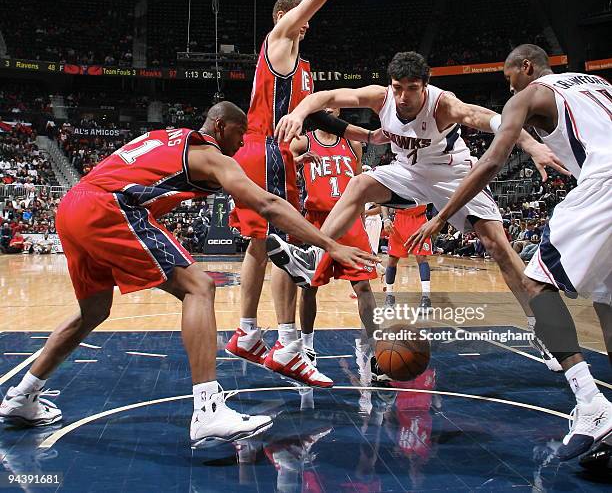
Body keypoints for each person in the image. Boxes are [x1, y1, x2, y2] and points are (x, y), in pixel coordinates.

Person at [0, 102, 374, 448]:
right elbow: (268, 203)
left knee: (94, 310)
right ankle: (208, 410)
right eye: (239, 133)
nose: (242, 141)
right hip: (107, 206)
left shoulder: (168, 137)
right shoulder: (208, 154)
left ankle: (23, 395)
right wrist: (331, 245)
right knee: (199, 286)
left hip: (74, 205)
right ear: (221, 126)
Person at [267, 51, 569, 372]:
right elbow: (325, 96)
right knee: (358, 185)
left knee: (498, 246)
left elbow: (488, 118)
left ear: (424, 86)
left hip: (453, 174)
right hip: (408, 172)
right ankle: (315, 253)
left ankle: (541, 327)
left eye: (411, 88)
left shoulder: (443, 104)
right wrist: (298, 114)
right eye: (397, 87)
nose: (402, 96)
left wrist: (530, 144)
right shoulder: (381, 98)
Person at [405, 44, 612, 461]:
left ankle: (591, 403)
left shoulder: (531, 93)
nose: (508, 85)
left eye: (508, 77)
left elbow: (491, 162)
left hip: (605, 181)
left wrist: (442, 215)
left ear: (526, 67)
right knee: (608, 299)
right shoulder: (600, 84)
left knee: (535, 283)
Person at [226, 0, 380, 388]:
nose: (307, 25)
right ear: (282, 17)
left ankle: (247, 332)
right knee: (285, 247)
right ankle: (289, 345)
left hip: (266, 153)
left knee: (261, 244)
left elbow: (316, 116)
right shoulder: (278, 39)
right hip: (267, 149)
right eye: (300, 18)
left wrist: (367, 137)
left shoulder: (300, 70)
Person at [290, 107, 377, 366]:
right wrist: (296, 161)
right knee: (308, 286)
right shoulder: (303, 141)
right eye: (323, 110)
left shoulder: (352, 143)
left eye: (332, 109)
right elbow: (280, 163)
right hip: (317, 222)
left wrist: (361, 220)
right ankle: (307, 347)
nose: (329, 112)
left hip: (349, 222)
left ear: (338, 111)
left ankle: (374, 350)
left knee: (363, 286)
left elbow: (360, 182)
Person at [381, 205, 433, 310]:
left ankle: (426, 298)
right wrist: (386, 219)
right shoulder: (395, 187)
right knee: (392, 260)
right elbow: (384, 202)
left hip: (419, 219)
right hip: (399, 219)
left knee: (421, 257)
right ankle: (389, 296)